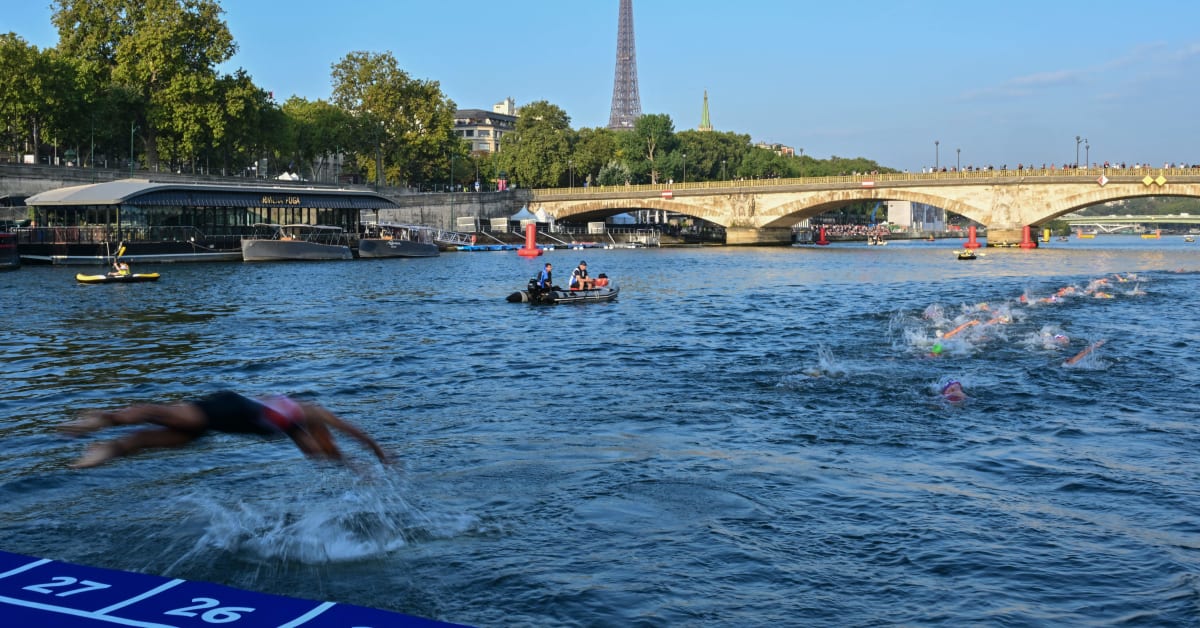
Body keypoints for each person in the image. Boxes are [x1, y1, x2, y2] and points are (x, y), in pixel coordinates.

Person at [61, 391, 391, 469]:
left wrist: (357, 467)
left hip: (223, 424)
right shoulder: (309, 412)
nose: (325, 443)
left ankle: (104, 450)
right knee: (159, 415)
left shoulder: (300, 436)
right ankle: (100, 419)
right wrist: (378, 453)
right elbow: (353, 433)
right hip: (225, 407)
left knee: (148, 440)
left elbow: (328, 454)